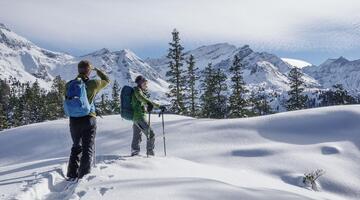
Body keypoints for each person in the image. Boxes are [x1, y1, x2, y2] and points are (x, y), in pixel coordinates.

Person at [66, 60, 110, 180]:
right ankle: (83, 176)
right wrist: (98, 70)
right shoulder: (94, 83)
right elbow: (107, 80)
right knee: (87, 147)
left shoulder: (69, 84)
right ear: (89, 71)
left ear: (78, 70)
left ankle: (71, 174)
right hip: (89, 118)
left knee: (76, 146)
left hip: (74, 120)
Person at [131, 75, 165, 156]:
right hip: (139, 117)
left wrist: (155, 106)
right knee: (151, 134)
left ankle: (134, 152)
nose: (146, 85)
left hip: (136, 117)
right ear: (140, 83)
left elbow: (144, 100)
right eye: (145, 83)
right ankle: (150, 154)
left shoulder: (139, 91)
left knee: (137, 136)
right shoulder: (137, 90)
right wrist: (150, 103)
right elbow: (140, 98)